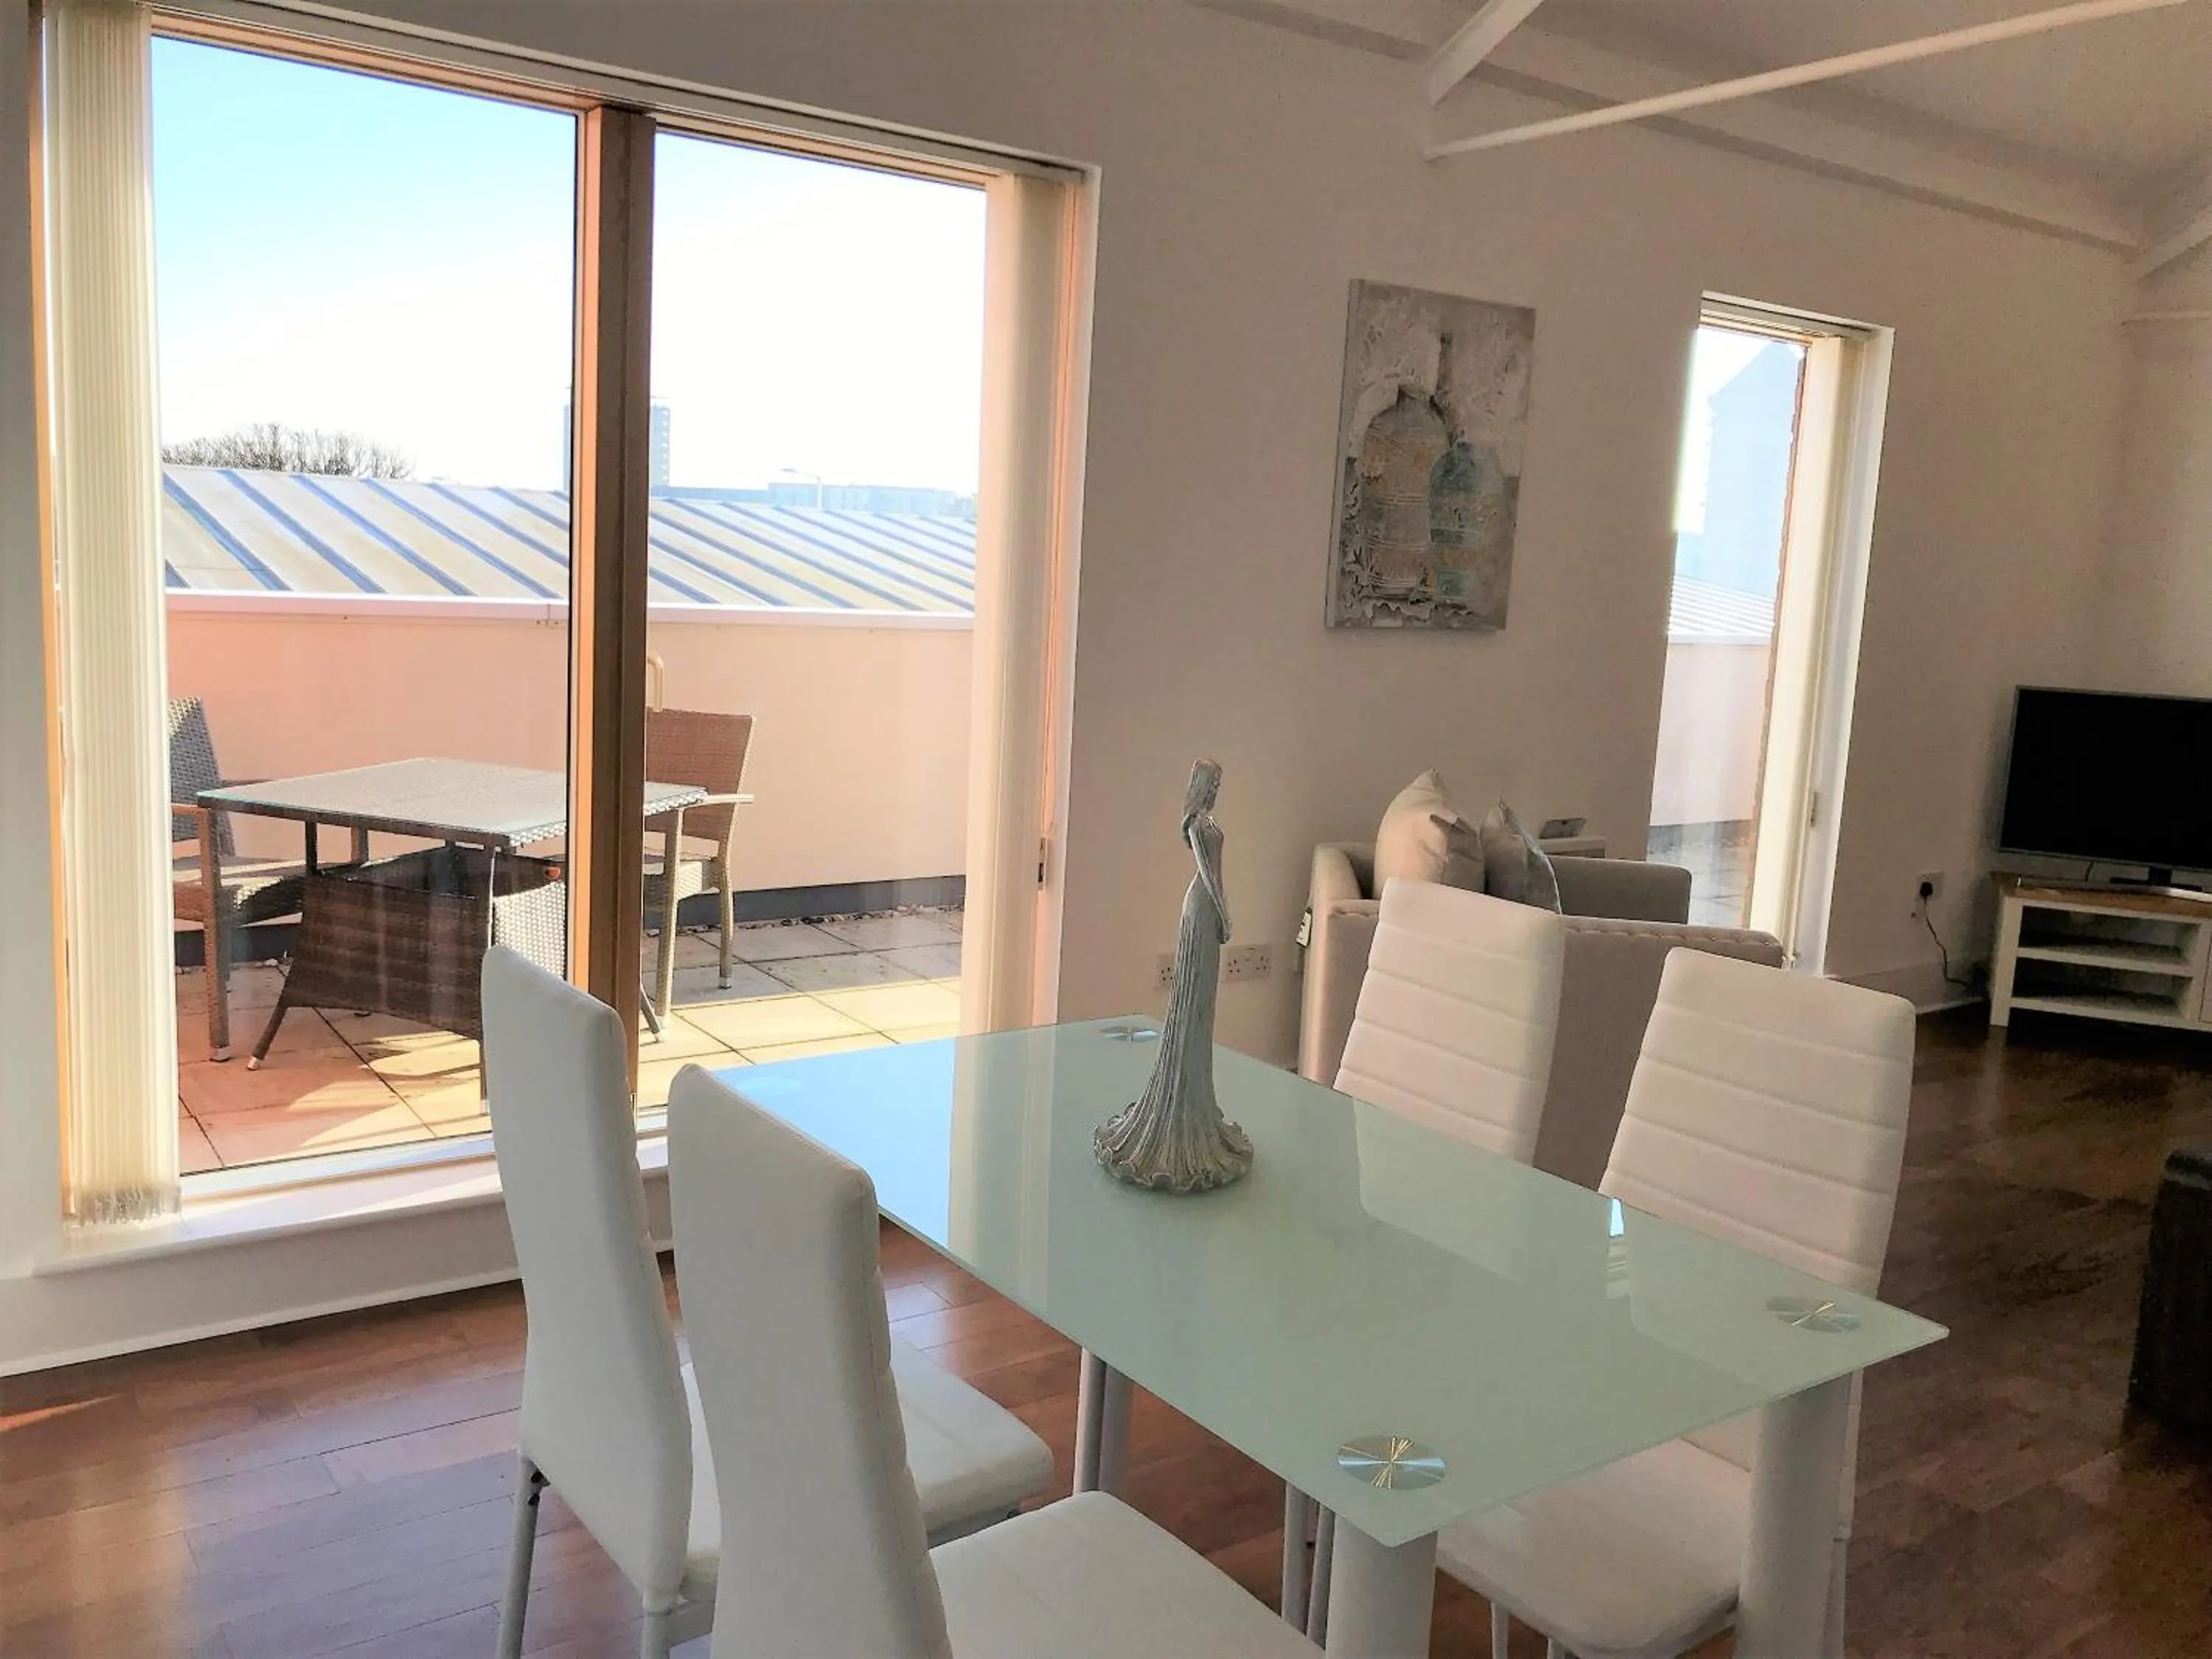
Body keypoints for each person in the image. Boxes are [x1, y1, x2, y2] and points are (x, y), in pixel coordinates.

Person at [1095, 758, 1252, 1190]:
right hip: (1203, 908)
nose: (1218, 787)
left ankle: (1193, 1106)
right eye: (1214, 782)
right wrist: (1226, 919)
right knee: (1193, 995)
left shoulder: (1206, 823)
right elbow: (1211, 877)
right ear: (1202, 786)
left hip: (1202, 908)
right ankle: (1176, 1116)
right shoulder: (1201, 827)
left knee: (1198, 998)